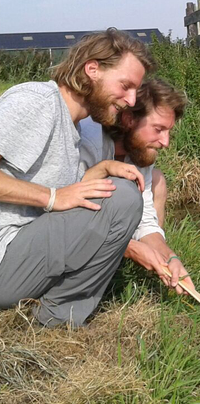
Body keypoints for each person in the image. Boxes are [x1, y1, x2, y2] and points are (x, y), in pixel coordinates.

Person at [0, 28, 155, 327]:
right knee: (122, 197)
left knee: (114, 190)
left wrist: (98, 171)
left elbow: (59, 200)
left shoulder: (75, 128)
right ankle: (60, 318)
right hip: (5, 255)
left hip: (17, 256)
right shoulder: (39, 102)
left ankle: (55, 317)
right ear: (92, 69)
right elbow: (55, 200)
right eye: (125, 85)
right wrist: (52, 197)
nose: (131, 99)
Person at [79, 78, 195, 294]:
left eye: (168, 131)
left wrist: (170, 258)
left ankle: (149, 264)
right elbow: (70, 221)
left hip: (101, 231)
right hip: (62, 242)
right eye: (158, 129)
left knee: (156, 180)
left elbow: (145, 221)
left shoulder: (138, 154)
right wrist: (129, 248)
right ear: (129, 119)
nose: (166, 142)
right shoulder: (87, 142)